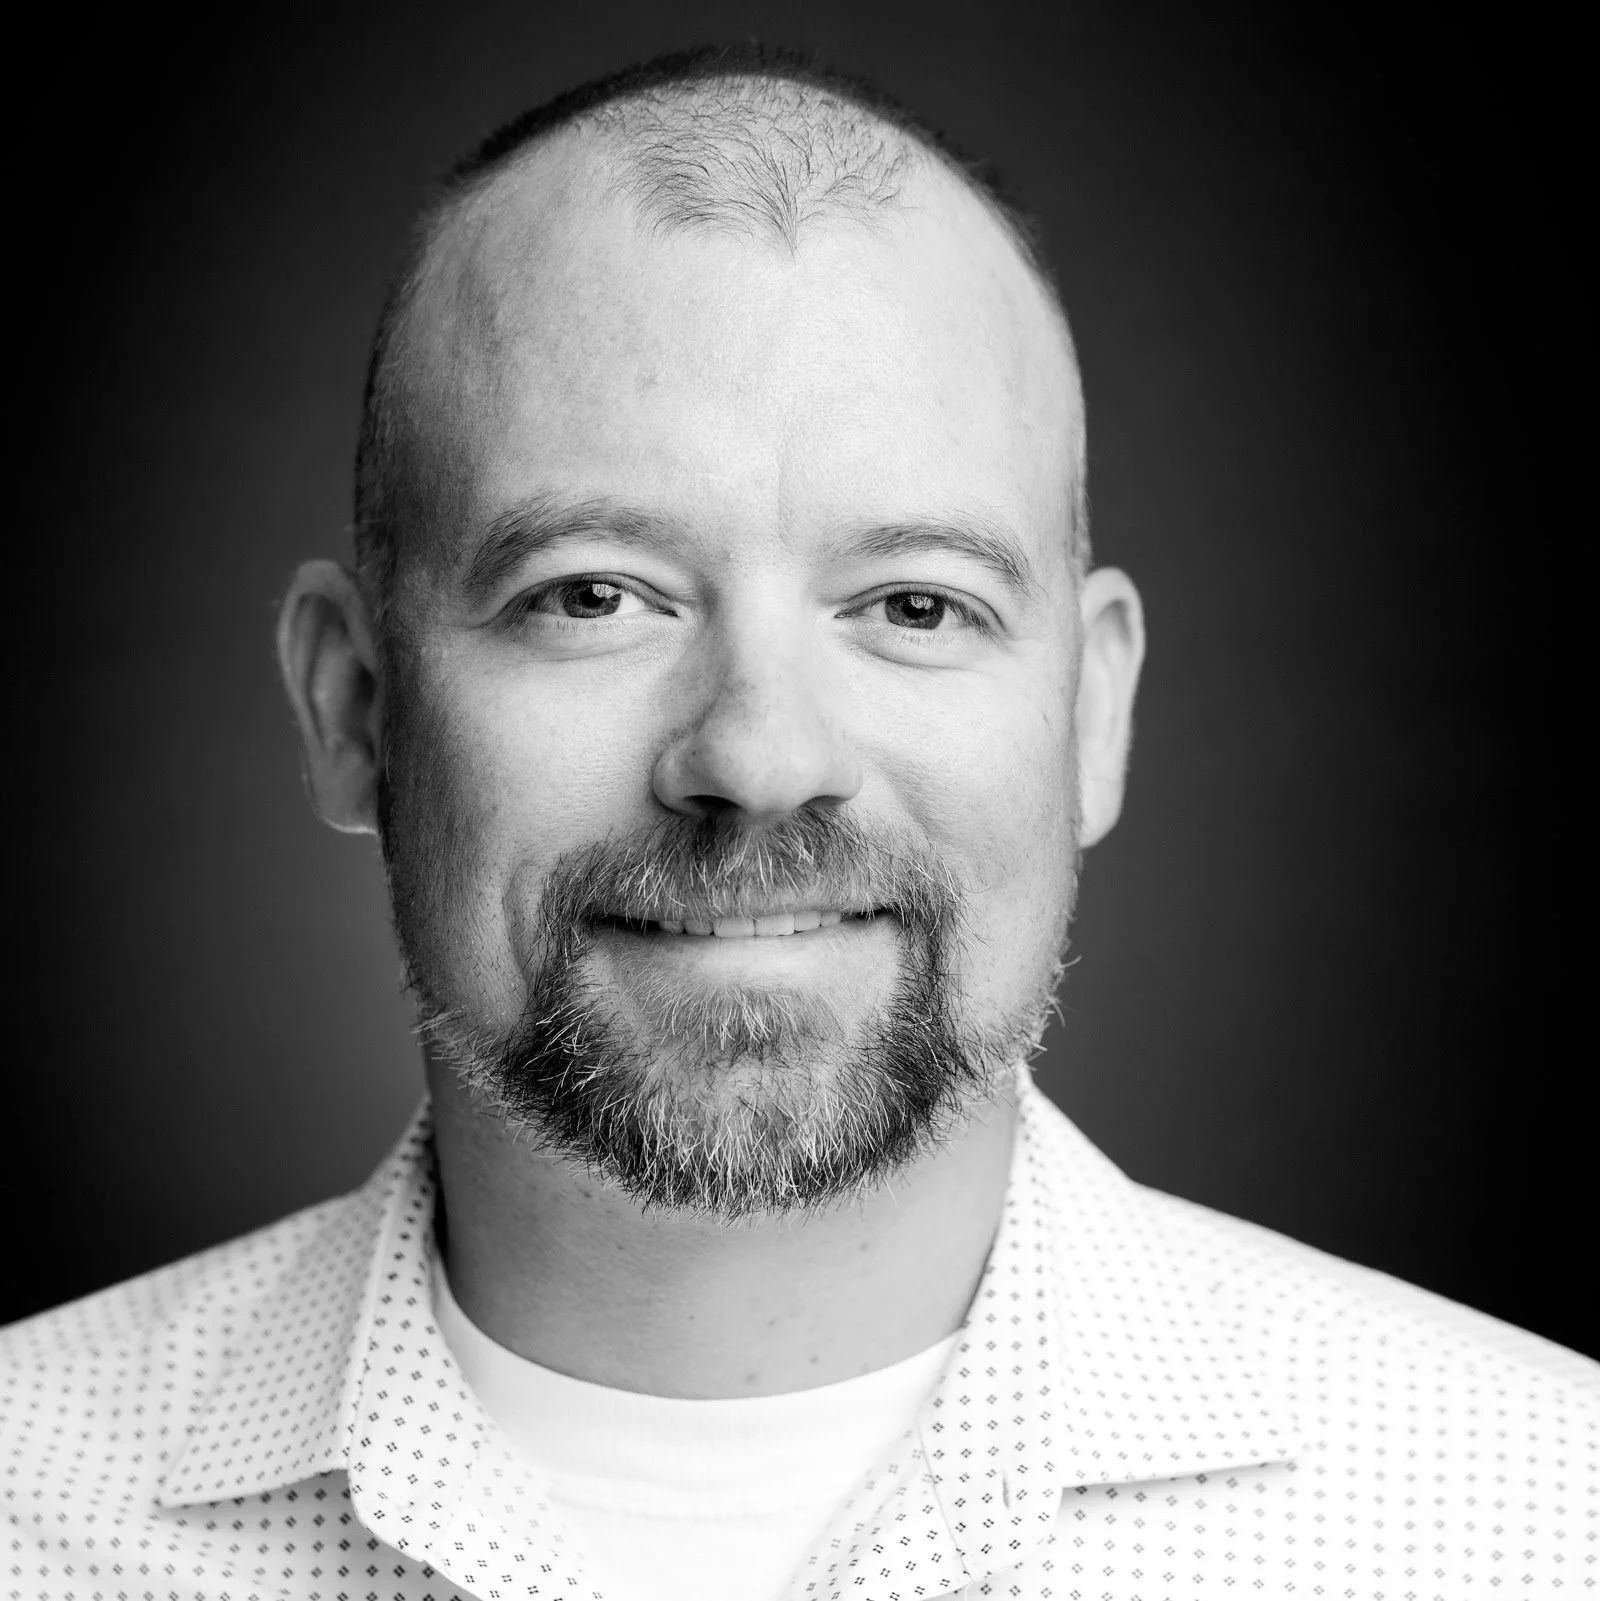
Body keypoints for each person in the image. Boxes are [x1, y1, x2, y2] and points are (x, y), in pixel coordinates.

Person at [3, 45, 1593, 1601]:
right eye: (594, 595)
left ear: (1091, 714)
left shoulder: (1537, 1520)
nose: (761, 757)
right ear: (355, 708)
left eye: (915, 604)